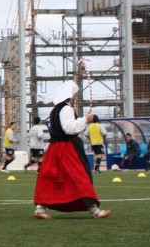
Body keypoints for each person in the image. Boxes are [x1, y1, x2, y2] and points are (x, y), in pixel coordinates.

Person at [33, 81, 110, 219]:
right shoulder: (67, 109)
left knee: (51, 178)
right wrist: (85, 119)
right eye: (75, 94)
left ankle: (40, 209)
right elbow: (69, 128)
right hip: (67, 148)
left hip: (55, 148)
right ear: (70, 95)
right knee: (80, 177)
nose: (76, 96)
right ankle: (93, 210)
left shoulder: (55, 109)